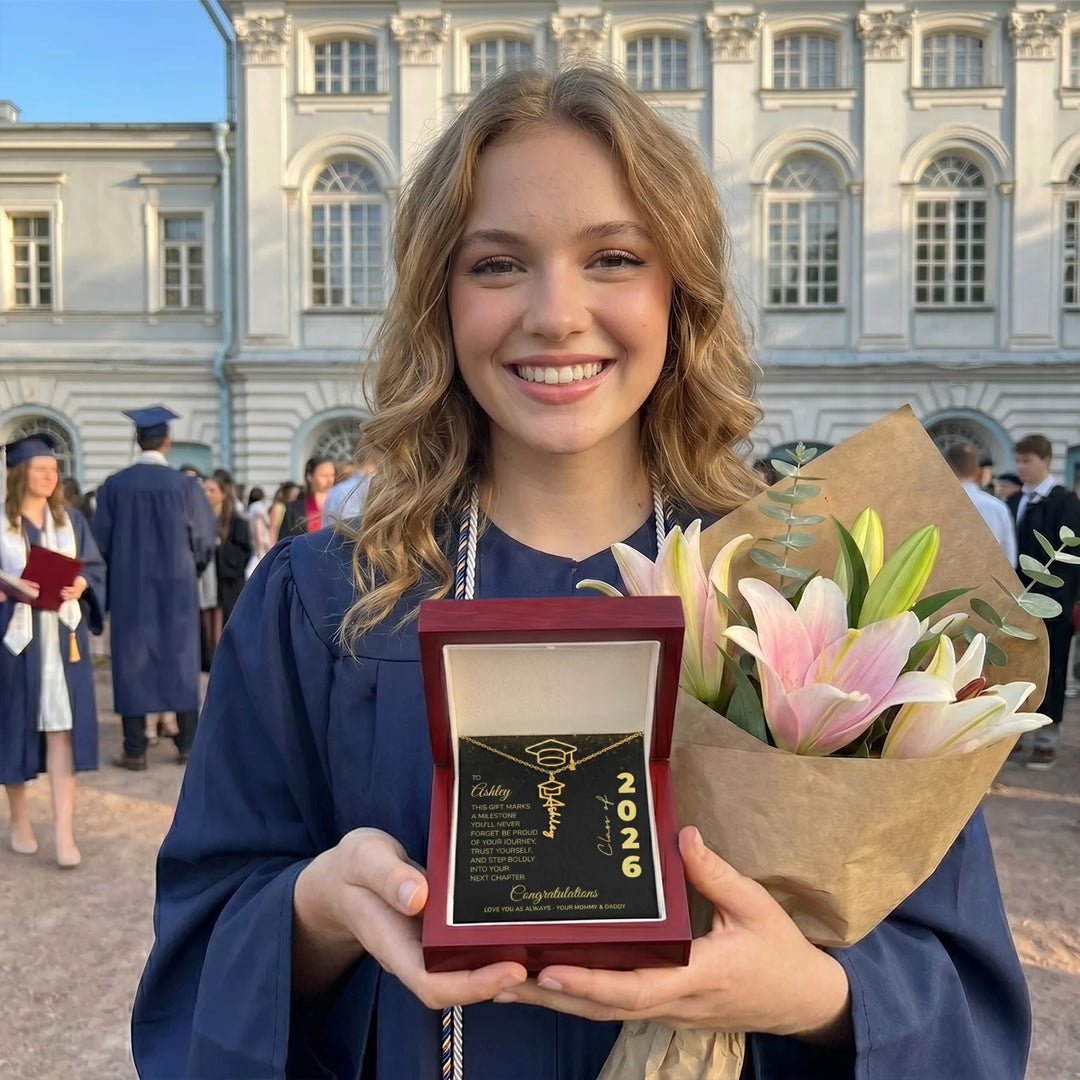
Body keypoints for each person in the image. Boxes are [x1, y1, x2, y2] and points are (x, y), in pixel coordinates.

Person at [132, 66, 1030, 1080]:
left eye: (611, 257)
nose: (556, 315)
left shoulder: (808, 598)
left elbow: (960, 991)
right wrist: (319, 909)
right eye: (497, 265)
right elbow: (201, 953)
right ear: (439, 297)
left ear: (678, 290)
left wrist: (816, 998)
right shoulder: (323, 603)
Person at [0, 435, 105, 868]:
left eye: (53, 468)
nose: (49, 475)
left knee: (64, 731)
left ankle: (64, 832)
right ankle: (20, 819)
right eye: (40, 468)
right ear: (19, 472)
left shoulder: (72, 520)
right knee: (13, 727)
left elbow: (94, 568)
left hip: (66, 642)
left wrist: (82, 584)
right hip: (15, 640)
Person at [93, 406, 217, 769]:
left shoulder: (114, 486)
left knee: (131, 661)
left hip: (129, 588)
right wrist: (188, 570)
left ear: (137, 440)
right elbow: (205, 539)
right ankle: (187, 744)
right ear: (168, 441)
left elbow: (100, 542)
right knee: (180, 660)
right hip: (177, 590)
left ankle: (135, 749)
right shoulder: (185, 486)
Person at [1006, 434, 1080, 769]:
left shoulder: (1065, 502)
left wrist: (1058, 602)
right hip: (1015, 603)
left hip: (1053, 604)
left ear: (1046, 461)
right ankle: (1014, 734)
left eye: (1028, 461)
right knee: (1015, 668)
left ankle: (1047, 740)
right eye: (1018, 461)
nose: (1021, 467)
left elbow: (1071, 557)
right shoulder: (1013, 502)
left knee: (1052, 670)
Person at [944, 442, 1017, 566]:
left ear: (947, 467)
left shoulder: (936, 506)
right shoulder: (998, 508)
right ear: (977, 471)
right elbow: (1010, 559)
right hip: (989, 579)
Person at [203, 475, 253, 628]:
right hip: (206, 582)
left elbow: (244, 552)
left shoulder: (236, 522)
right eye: (204, 490)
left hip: (229, 583)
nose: (207, 494)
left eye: (212, 490)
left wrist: (219, 549)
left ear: (223, 494)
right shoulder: (200, 519)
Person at [279, 456, 337, 537]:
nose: (330, 480)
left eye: (332, 475)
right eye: (324, 475)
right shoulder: (295, 508)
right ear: (309, 476)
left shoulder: (340, 501)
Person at [268, 481, 301, 546]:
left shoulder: (295, 509)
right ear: (287, 494)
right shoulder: (279, 507)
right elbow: (273, 530)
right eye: (294, 495)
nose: (296, 498)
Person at [246, 486, 272, 562]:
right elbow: (259, 530)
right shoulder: (259, 507)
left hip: (253, 543)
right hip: (261, 544)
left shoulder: (250, 508)